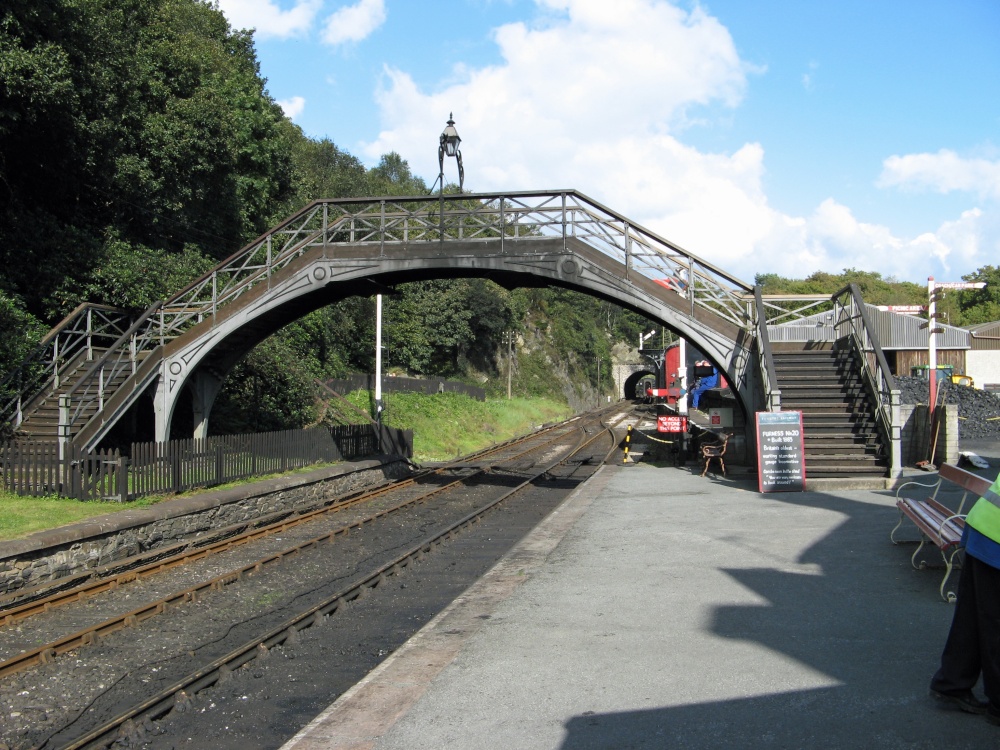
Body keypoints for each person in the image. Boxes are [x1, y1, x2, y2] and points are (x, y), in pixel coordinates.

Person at [929, 471, 1000, 725]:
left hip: (984, 528)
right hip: (996, 539)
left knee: (972, 615)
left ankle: (952, 683)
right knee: (994, 621)